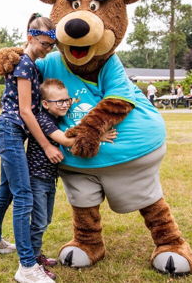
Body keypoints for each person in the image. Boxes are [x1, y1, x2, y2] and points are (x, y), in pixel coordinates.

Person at [0, 13, 60, 283]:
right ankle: (27, 266)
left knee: (7, 191)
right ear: (30, 38)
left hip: (12, 133)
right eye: (44, 45)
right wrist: (47, 145)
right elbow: (26, 112)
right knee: (24, 195)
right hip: (11, 132)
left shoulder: (30, 64)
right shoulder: (25, 65)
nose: (48, 50)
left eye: (51, 47)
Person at [26, 79, 117, 280]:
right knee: (39, 221)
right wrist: (98, 136)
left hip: (48, 177)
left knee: (45, 219)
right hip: (37, 177)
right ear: (45, 104)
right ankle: (30, 263)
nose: (65, 104)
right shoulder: (44, 119)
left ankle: (36, 255)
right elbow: (66, 140)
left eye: (67, 100)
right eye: (59, 101)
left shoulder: (56, 115)